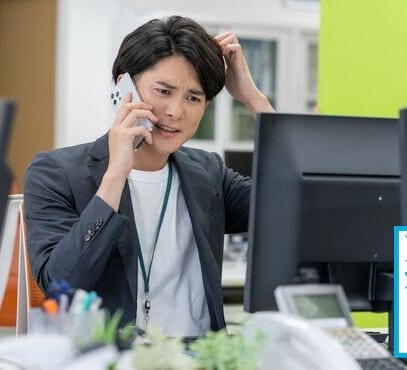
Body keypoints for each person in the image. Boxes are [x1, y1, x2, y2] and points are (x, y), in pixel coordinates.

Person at [24, 15, 274, 336]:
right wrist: (116, 174)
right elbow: (61, 284)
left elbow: (294, 200)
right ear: (122, 86)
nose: (175, 111)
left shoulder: (208, 174)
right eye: (163, 91)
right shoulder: (56, 173)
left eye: (193, 98)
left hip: (200, 357)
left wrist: (252, 98)